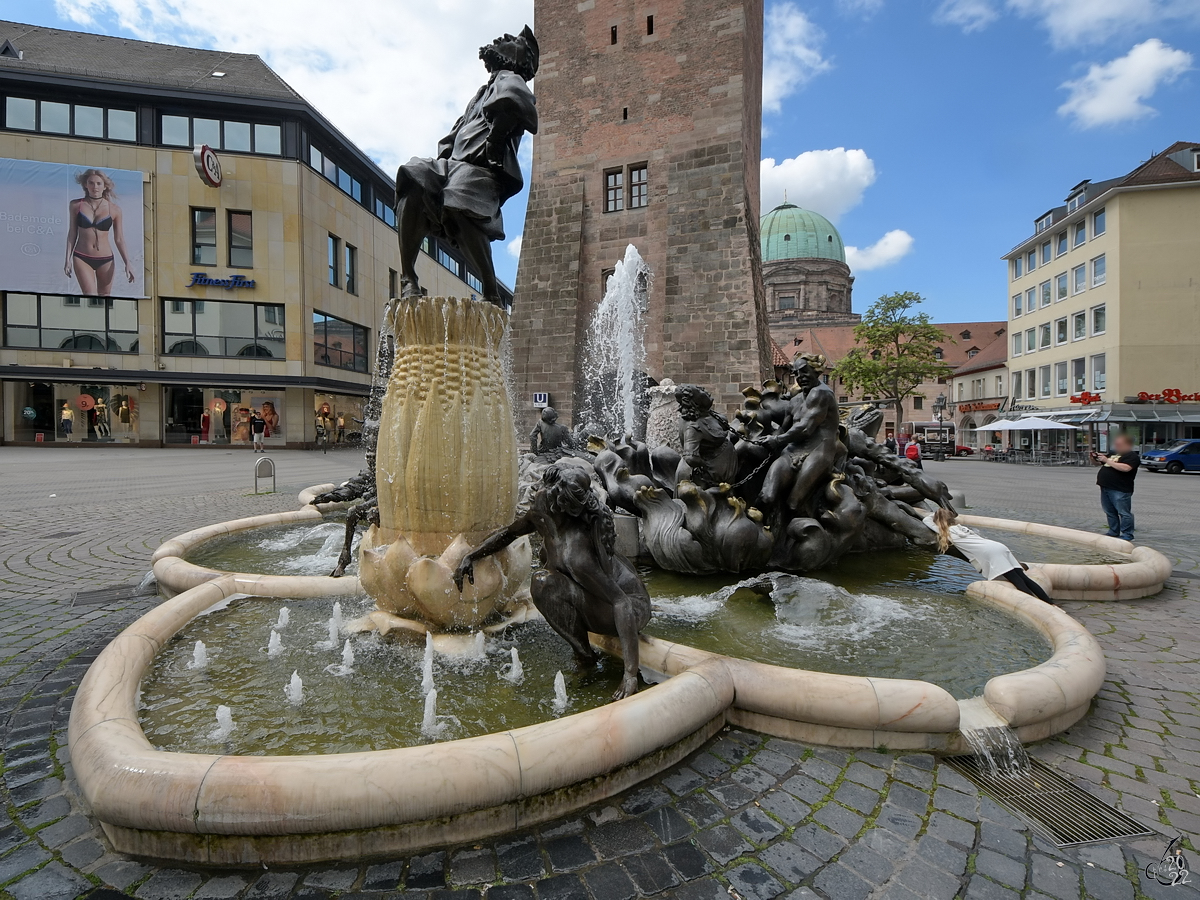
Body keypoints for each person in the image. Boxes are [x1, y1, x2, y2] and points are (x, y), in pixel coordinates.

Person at [395, 28, 538, 306]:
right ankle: (408, 277)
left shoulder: (511, 78)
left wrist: (496, 141)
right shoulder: (481, 93)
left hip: (482, 171)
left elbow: (518, 106)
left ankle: (490, 291)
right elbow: (453, 136)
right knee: (413, 174)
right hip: (453, 167)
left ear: (518, 59)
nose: (500, 40)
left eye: (510, 40)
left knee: (459, 196)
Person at [925, 508, 1053, 604]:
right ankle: (1050, 604)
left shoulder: (944, 531)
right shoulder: (961, 528)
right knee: (1024, 578)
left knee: (1017, 581)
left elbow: (925, 520)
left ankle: (1034, 605)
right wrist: (943, 512)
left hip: (991, 552)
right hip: (999, 547)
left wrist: (936, 513)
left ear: (938, 521)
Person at [64, 169, 136, 296]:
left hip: (106, 259)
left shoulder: (114, 210)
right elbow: (72, 233)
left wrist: (127, 263)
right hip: (82, 256)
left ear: (104, 186)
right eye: (91, 183)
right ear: (86, 185)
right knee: (89, 295)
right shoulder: (76, 205)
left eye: (98, 183)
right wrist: (67, 259)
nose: (95, 187)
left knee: (104, 297)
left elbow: (119, 239)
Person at [1094, 433, 1139, 541]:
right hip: (1105, 487)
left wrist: (1107, 460)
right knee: (1109, 511)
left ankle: (1127, 534)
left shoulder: (1132, 456)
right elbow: (1102, 464)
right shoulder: (1114, 454)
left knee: (1123, 512)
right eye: (1116, 443)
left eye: (1119, 444)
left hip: (1120, 489)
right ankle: (1113, 531)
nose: (1116, 445)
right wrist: (1095, 458)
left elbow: (1126, 468)